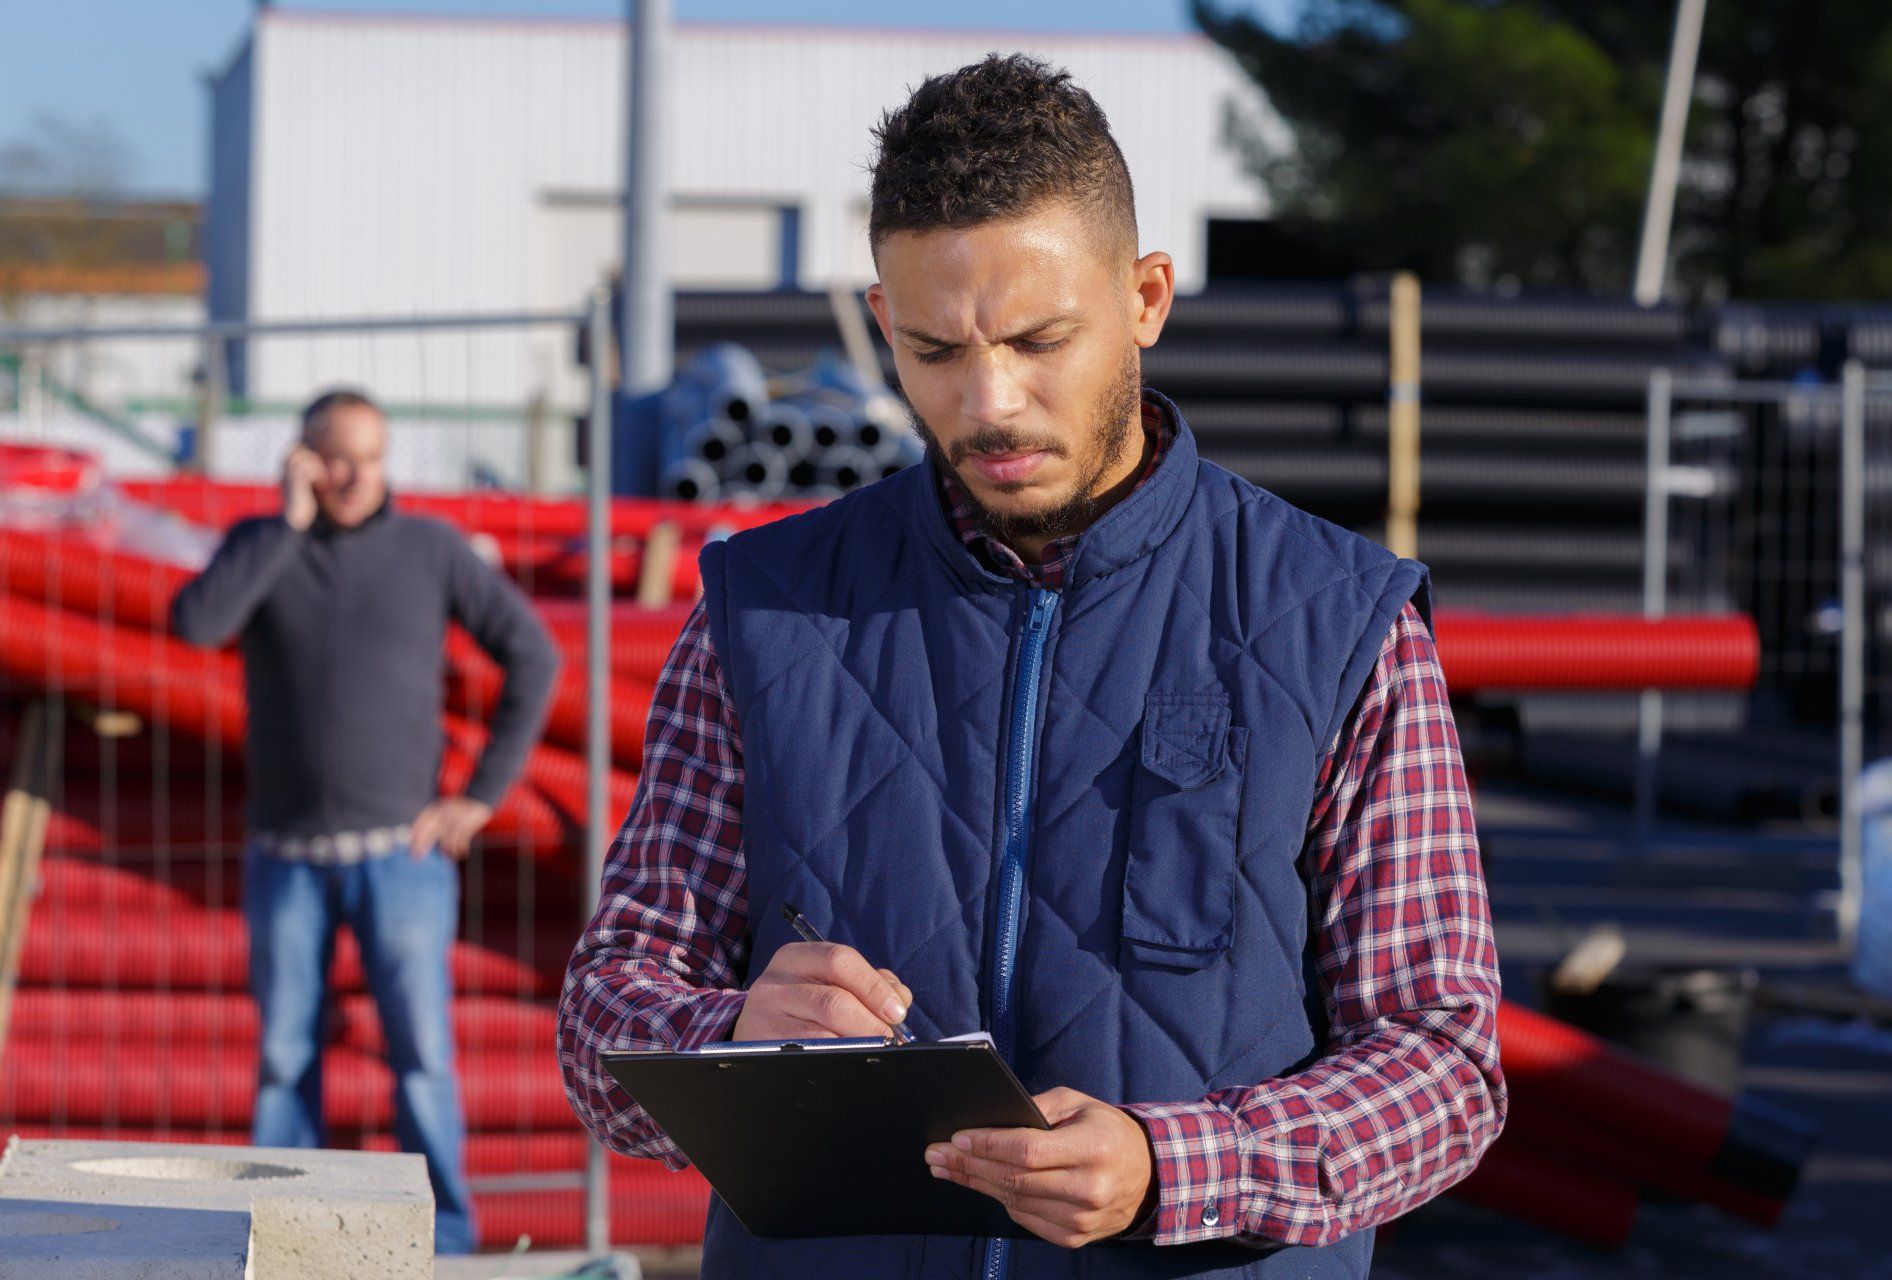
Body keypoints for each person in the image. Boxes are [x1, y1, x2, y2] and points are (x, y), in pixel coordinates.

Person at [558, 55, 1505, 1279]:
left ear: (1146, 297)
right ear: (882, 320)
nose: (990, 401)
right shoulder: (766, 610)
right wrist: (727, 1030)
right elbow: (606, 1017)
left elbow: (1444, 1061)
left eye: (1038, 338)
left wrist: (1177, 1164)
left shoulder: (1337, 621)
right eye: (934, 349)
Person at [173, 388, 558, 1254]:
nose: (354, 476)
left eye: (370, 459)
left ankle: (445, 1242)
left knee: (421, 1057)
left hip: (401, 858)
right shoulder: (261, 545)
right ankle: (281, 1236)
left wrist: (481, 795)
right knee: (284, 1062)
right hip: (285, 855)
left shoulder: (430, 550)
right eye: (337, 459)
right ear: (303, 459)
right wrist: (283, 525)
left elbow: (534, 653)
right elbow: (197, 624)